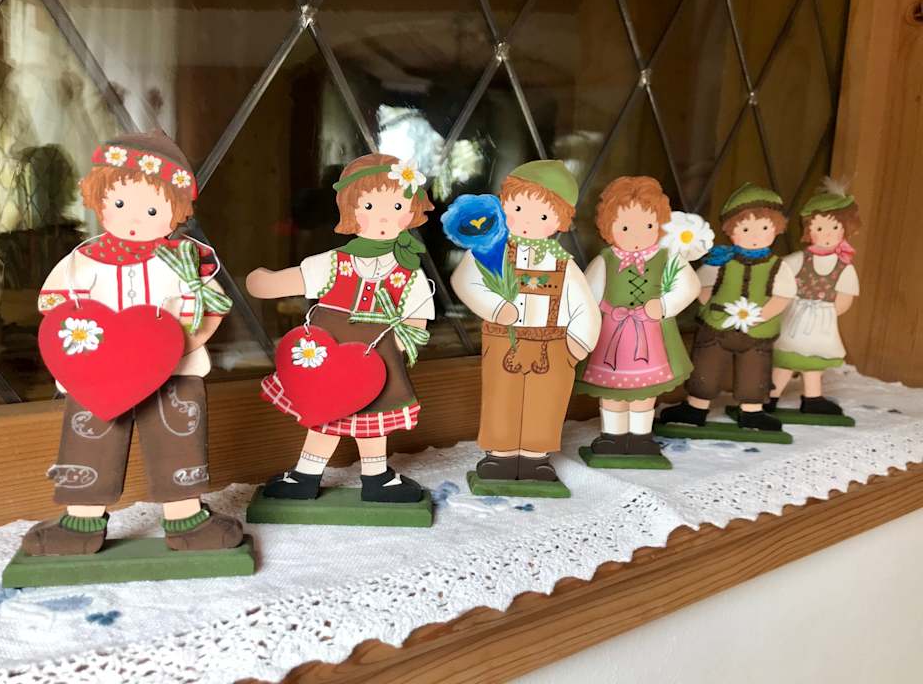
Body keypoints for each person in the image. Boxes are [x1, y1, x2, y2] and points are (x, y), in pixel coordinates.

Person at [24, 131, 243, 555]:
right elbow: (54, 305)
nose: (134, 219)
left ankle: (185, 517)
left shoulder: (184, 262)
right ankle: (82, 520)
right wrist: (79, 345)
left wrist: (181, 344)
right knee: (91, 435)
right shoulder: (82, 261)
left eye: (152, 209)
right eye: (120, 204)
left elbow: (211, 306)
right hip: (98, 370)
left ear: (176, 212)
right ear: (98, 199)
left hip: (174, 368)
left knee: (178, 435)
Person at [246, 154, 435, 503]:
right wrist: (264, 283)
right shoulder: (335, 261)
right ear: (351, 210)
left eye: (396, 206)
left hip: (377, 355)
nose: (383, 217)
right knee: (324, 412)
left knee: (374, 416)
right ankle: (306, 474)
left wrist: (401, 347)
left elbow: (416, 320)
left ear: (411, 212)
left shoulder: (409, 271)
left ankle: (376, 476)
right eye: (370, 206)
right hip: (326, 348)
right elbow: (295, 279)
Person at [451, 160, 601, 483]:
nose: (528, 221)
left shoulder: (564, 264)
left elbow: (585, 306)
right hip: (502, 340)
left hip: (553, 345)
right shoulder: (489, 251)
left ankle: (535, 457)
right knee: (501, 397)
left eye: (543, 216)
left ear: (561, 221)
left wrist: (579, 342)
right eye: (518, 209)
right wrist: (495, 308)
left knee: (545, 402)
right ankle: (501, 455)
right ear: (503, 205)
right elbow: (464, 281)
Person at [576, 176, 701, 459]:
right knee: (612, 392)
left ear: (660, 225)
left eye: (647, 226)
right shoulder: (605, 260)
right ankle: (613, 437)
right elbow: (586, 295)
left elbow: (689, 286)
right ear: (608, 227)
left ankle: (641, 438)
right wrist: (582, 327)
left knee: (645, 392)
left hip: (651, 336)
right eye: (625, 227)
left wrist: (665, 305)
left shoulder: (668, 258)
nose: (636, 235)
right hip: (611, 338)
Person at [660, 183, 797, 432]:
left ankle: (752, 411)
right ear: (731, 230)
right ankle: (696, 407)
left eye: (764, 228)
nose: (754, 236)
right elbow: (700, 286)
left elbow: (783, 295)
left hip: (757, 331)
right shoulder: (720, 261)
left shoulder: (779, 267)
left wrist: (762, 315)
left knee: (754, 370)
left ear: (776, 229)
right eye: (745, 229)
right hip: (716, 328)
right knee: (706, 366)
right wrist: (712, 307)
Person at [769, 180, 860, 415]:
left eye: (834, 227)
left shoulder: (844, 267)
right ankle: (770, 395)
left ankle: (812, 398)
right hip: (795, 315)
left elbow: (845, 297)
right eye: (819, 228)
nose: (827, 234)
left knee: (813, 361)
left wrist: (826, 313)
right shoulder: (798, 260)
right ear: (808, 230)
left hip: (822, 320)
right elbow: (779, 277)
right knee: (786, 358)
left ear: (845, 229)